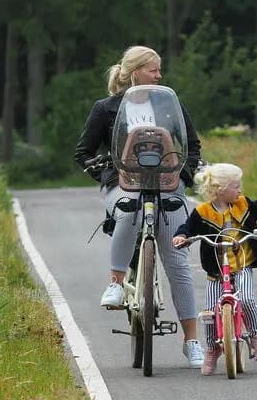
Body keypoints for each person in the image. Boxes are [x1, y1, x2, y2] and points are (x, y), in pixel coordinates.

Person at [74, 46, 204, 368]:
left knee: (177, 260)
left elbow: (192, 144)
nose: (159, 76)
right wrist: (107, 174)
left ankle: (192, 342)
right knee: (129, 208)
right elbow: (83, 152)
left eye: (159, 70)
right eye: (153, 70)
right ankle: (116, 284)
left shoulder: (169, 106)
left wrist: (183, 177)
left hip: (167, 183)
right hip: (124, 184)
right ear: (135, 73)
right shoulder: (106, 109)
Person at [172, 163, 257, 375]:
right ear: (221, 189)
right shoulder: (202, 212)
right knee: (212, 311)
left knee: (247, 299)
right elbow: (188, 227)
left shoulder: (244, 204)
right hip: (217, 272)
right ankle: (213, 349)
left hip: (242, 265)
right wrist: (182, 236)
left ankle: (256, 336)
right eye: (236, 186)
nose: (240, 190)